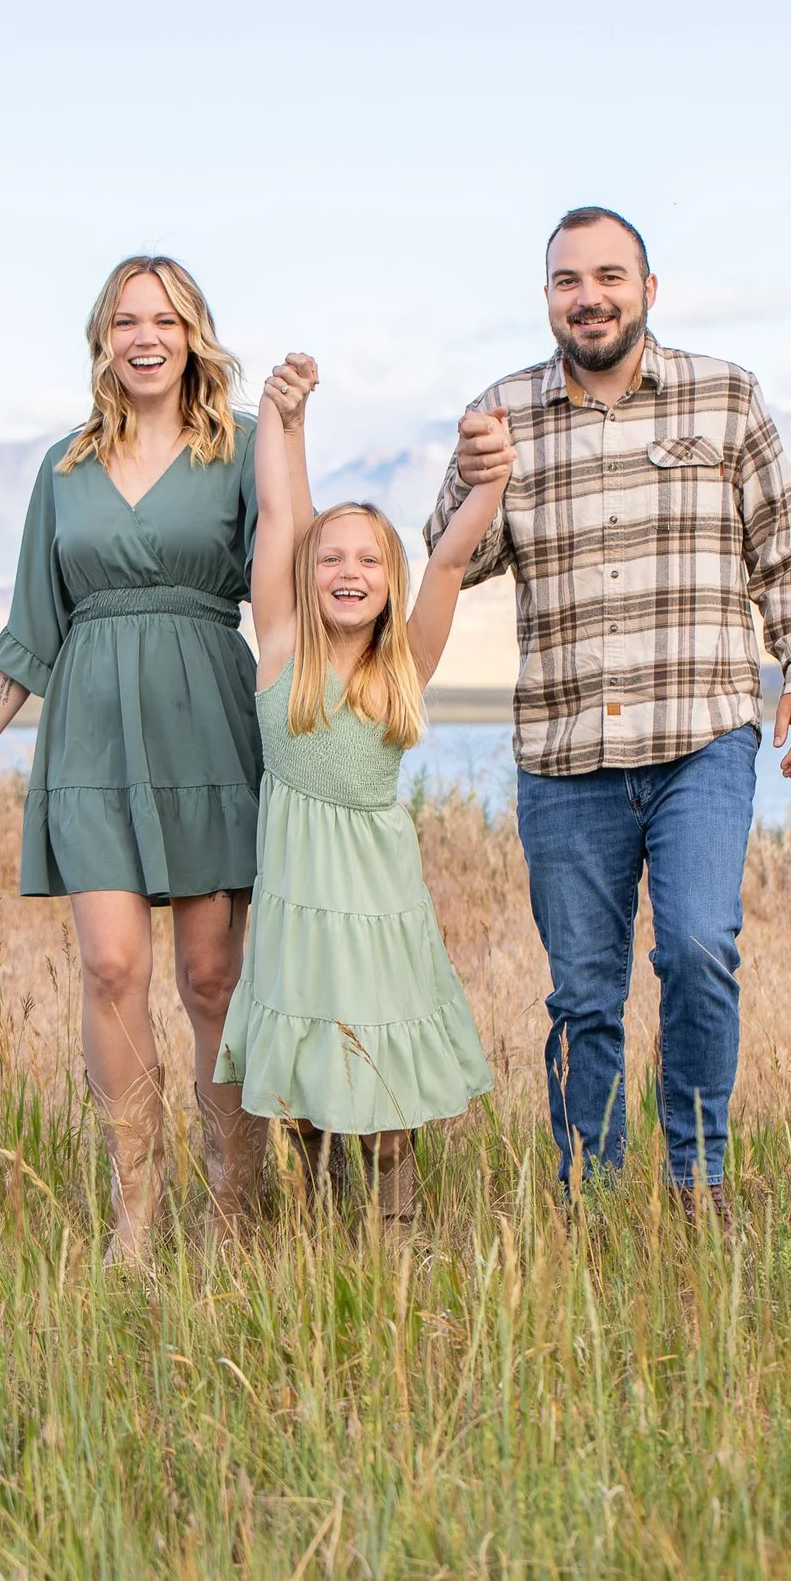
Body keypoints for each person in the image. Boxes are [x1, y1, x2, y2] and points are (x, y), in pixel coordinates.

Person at [423, 207, 791, 1220]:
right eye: (568, 280)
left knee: (698, 946)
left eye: (610, 275)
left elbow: (784, 547)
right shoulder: (501, 411)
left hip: (701, 733)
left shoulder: (725, 396)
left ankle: (698, 1181)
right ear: (548, 299)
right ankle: (591, 1200)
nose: (589, 295)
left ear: (650, 289)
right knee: (582, 994)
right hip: (565, 756)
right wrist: (479, 479)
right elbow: (449, 556)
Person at [0, 255, 270, 1262]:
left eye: (165, 318)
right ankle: (135, 1214)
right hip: (90, 735)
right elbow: (32, 623)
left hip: (208, 718)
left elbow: (290, 596)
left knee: (211, 979)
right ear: (102, 341)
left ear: (194, 334)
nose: (145, 336)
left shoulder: (245, 449)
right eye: (126, 320)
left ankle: (234, 1211)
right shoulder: (64, 466)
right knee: (112, 965)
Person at [212, 352, 502, 1223]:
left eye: (368, 560)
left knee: (378, 1086)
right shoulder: (281, 650)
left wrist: (489, 482)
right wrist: (281, 413)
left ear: (387, 582)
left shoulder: (400, 670)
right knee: (303, 1085)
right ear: (309, 574)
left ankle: (395, 1225)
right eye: (332, 556)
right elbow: (279, 514)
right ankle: (316, 1208)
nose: (347, 570)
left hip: (378, 905)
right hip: (298, 900)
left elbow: (449, 564)